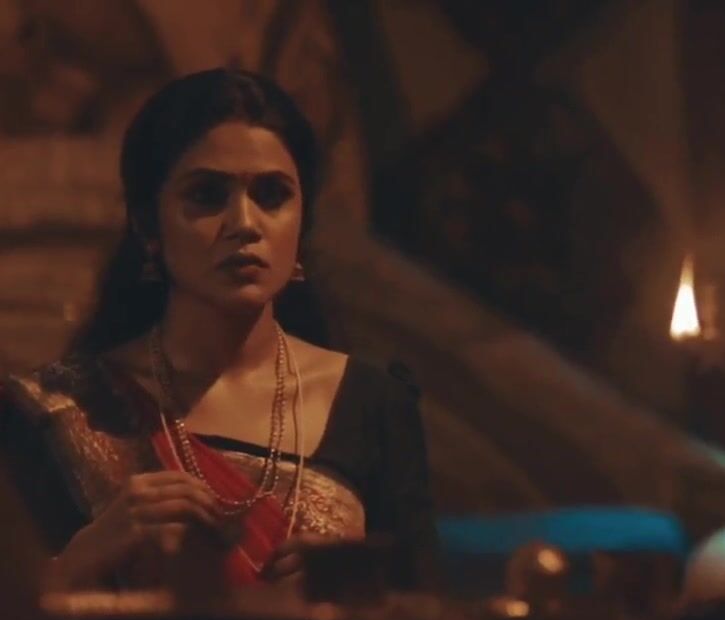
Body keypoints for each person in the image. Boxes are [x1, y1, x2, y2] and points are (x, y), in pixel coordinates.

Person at [0, 68, 437, 592]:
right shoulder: (58, 414)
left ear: (302, 222)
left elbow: (430, 617)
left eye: (272, 195)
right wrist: (88, 554)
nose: (245, 224)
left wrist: (350, 584)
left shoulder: (373, 405)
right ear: (147, 225)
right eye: (207, 195)